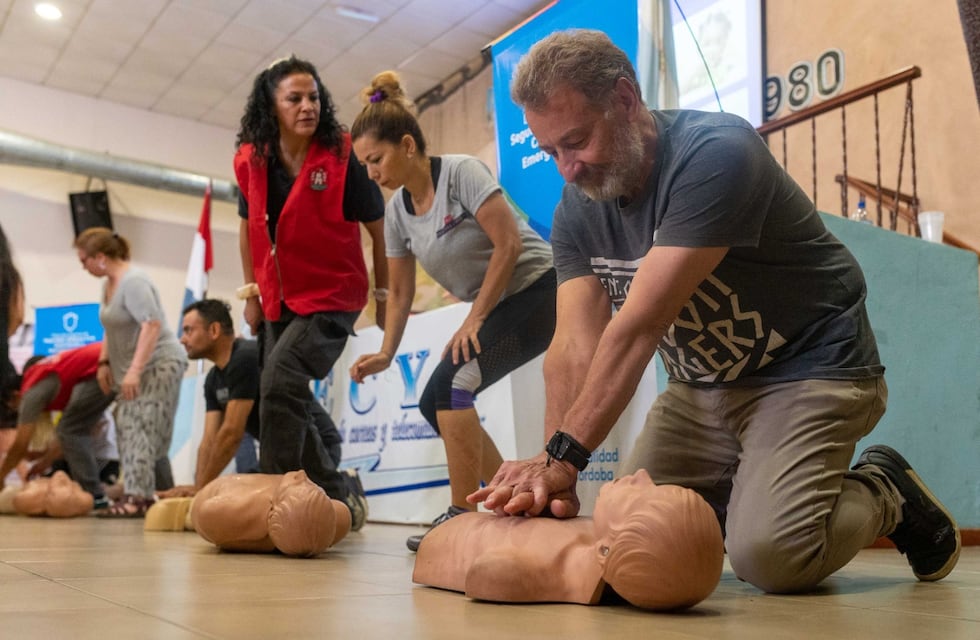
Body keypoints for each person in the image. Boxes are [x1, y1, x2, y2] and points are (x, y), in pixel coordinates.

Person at [469, 30, 961, 594]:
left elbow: (639, 326)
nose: (567, 170)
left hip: (809, 367)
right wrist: (549, 472)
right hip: (701, 388)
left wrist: (564, 458)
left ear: (626, 101)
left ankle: (883, 491)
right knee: (623, 529)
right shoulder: (577, 210)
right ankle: (756, 494)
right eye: (550, 151)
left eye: (576, 141)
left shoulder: (717, 153)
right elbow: (573, 346)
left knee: (770, 556)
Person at [349, 70, 557, 551]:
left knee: (455, 383)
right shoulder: (398, 211)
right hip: (500, 304)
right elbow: (399, 295)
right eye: (364, 165)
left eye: (375, 159)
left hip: (540, 290)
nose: (371, 173)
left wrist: (475, 317)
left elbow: (507, 245)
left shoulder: (461, 172)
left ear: (406, 145)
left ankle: (463, 516)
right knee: (432, 403)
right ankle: (518, 500)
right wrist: (385, 351)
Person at [235, 55, 386, 531]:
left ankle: (272, 498)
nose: (307, 106)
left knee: (280, 381)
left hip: (335, 294)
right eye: (294, 98)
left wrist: (384, 296)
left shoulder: (344, 154)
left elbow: (380, 230)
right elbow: (247, 228)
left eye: (314, 97)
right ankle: (336, 492)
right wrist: (252, 295)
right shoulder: (252, 159)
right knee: (277, 393)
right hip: (279, 295)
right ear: (271, 105)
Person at [415, 470, 723, 610]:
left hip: (445, 541)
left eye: (641, 494)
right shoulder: (597, 539)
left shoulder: (536, 570)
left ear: (606, 550)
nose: (640, 474)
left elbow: (485, 575)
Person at [161, 298, 346, 498]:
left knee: (241, 497)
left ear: (214, 330)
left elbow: (232, 433)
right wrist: (198, 486)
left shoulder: (245, 357)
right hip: (285, 454)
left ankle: (346, 490)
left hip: (320, 451)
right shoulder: (213, 380)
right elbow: (208, 440)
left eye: (189, 330)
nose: (182, 339)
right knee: (232, 490)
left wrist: (200, 491)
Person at [74, 228, 188, 517]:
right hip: (132, 368)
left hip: (159, 364)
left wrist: (135, 370)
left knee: (139, 426)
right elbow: (111, 328)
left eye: (84, 260)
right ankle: (145, 494)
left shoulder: (134, 281)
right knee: (127, 423)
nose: (82, 267)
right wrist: (104, 363)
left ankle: (140, 498)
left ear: (100, 258)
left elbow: (151, 325)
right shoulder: (109, 285)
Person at [0, 343, 116, 508]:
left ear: (15, 396)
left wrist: (1, 477)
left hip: (105, 364)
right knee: (70, 430)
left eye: (13, 407)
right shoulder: (50, 385)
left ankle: (96, 496)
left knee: (71, 430)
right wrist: (43, 462)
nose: (18, 413)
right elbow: (64, 439)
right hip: (109, 360)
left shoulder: (31, 393)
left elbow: (20, 444)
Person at [192, 470, 351, 557]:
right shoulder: (334, 521)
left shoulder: (236, 507)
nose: (302, 474)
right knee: (342, 516)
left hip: (208, 498)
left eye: (298, 482)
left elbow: (204, 513)